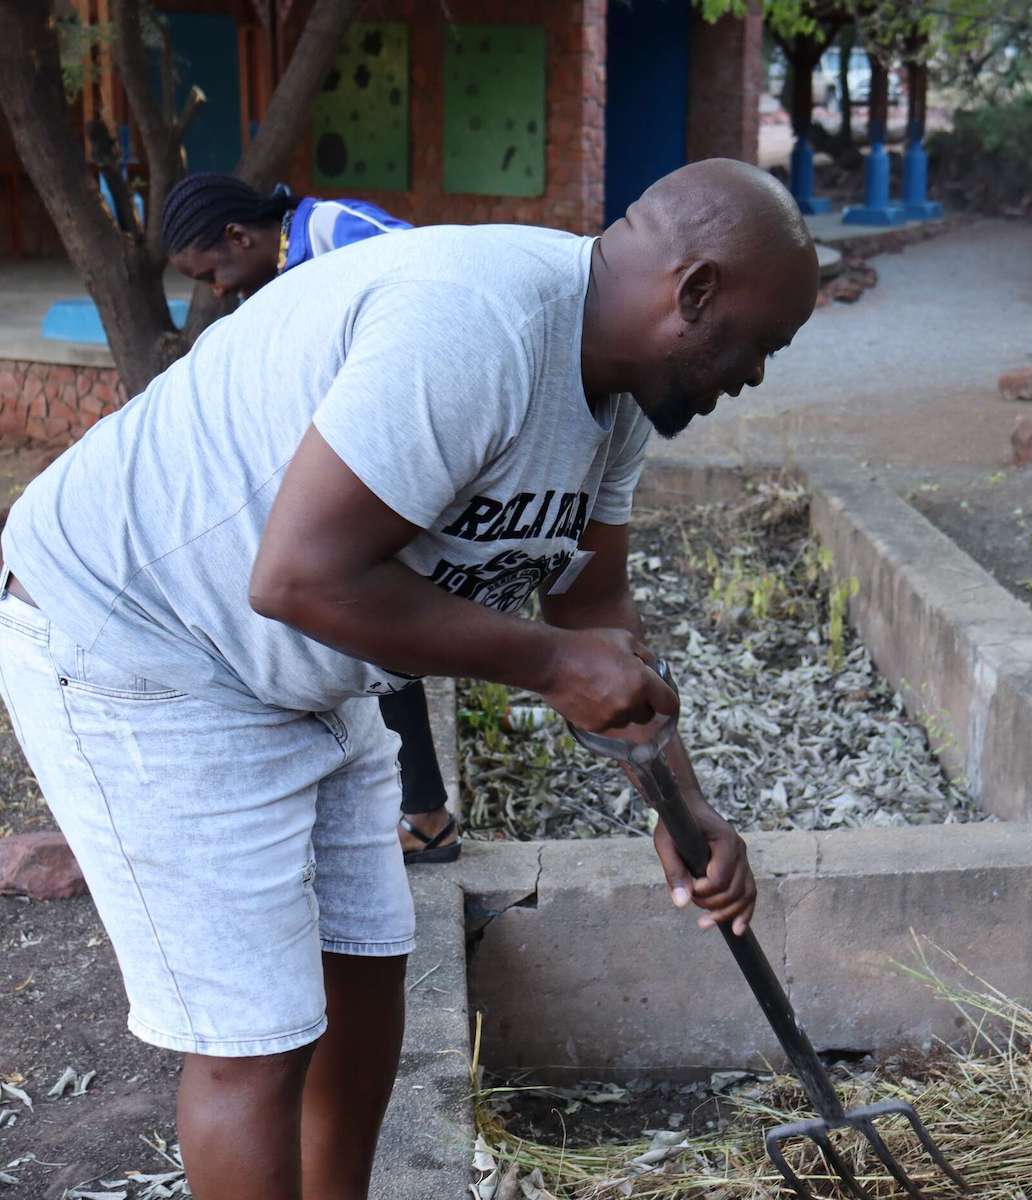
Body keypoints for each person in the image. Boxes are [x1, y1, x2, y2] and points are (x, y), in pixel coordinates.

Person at [0, 158, 819, 1197]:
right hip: (137, 636)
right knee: (256, 1037)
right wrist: (548, 666)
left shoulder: (612, 398)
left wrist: (677, 805)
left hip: (300, 663)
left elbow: (592, 612)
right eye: (759, 346)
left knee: (365, 964)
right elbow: (299, 576)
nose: (752, 378)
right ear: (694, 293)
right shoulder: (475, 327)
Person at [160, 173, 461, 864]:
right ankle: (413, 810)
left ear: (240, 237)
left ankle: (423, 813)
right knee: (356, 636)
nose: (215, 291)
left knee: (372, 630)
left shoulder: (336, 233)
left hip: (395, 472)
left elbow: (439, 289)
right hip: (349, 475)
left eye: (213, 272)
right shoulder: (284, 269)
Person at [161, 172, 410, 301]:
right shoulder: (263, 295)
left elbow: (425, 264)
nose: (217, 291)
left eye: (211, 277)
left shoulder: (331, 228)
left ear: (238, 237)